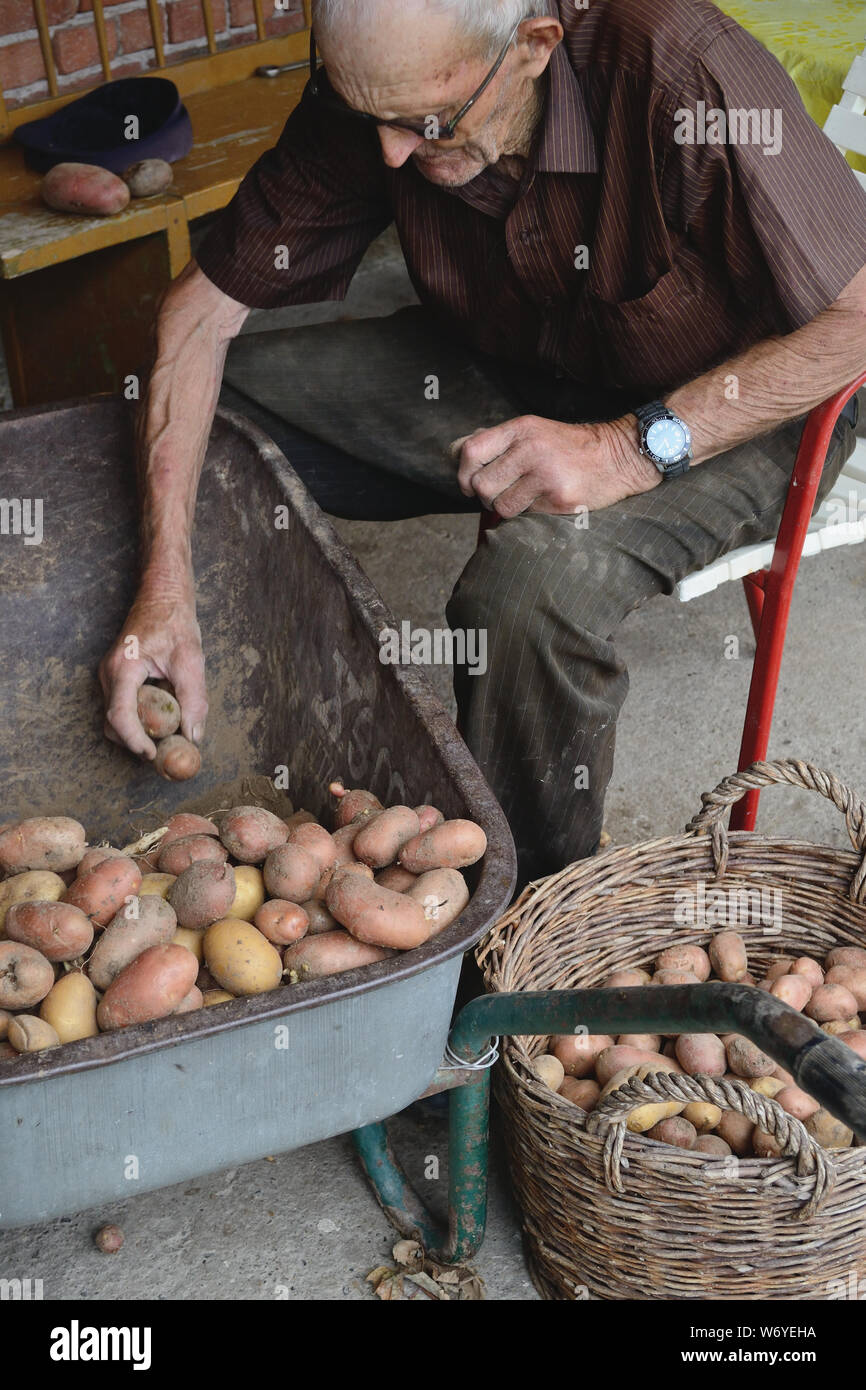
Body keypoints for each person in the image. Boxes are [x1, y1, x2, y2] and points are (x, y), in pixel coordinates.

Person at [99, 0, 866, 884]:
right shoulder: (386, 86)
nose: (389, 154)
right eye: (369, 121)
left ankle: (521, 924)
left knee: (530, 588)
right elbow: (199, 315)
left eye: (424, 125)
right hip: (517, 364)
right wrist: (164, 577)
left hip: (745, 404)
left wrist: (624, 449)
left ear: (534, 48)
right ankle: (198, 689)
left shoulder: (682, 68)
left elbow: (853, 319)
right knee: (196, 415)